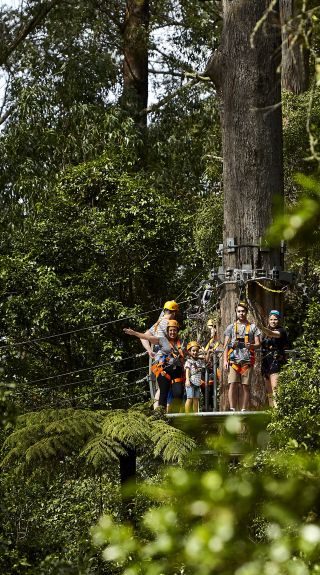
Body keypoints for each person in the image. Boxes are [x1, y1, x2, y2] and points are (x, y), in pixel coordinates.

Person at [123, 319, 184, 411]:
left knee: (178, 393)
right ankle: (161, 414)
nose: (172, 332)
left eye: (174, 330)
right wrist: (134, 333)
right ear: (167, 331)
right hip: (164, 371)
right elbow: (147, 337)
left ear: (177, 331)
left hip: (177, 371)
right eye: (171, 330)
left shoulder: (181, 342)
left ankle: (175, 415)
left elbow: (189, 352)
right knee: (163, 392)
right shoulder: (162, 340)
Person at [223, 302, 261, 411]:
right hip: (233, 360)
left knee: (246, 386)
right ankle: (232, 408)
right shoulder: (230, 327)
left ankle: (244, 408)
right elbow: (225, 345)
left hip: (247, 360)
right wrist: (225, 360)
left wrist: (251, 345)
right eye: (239, 311)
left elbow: (258, 343)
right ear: (236, 312)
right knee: (232, 384)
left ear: (246, 312)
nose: (241, 313)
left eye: (243, 311)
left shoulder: (253, 327)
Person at [259, 310, 289, 407]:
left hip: (277, 361)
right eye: (271, 319)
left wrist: (261, 328)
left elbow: (272, 334)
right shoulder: (265, 333)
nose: (273, 321)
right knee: (269, 391)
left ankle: (278, 412)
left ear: (279, 320)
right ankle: (272, 410)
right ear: (268, 320)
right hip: (266, 362)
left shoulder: (281, 331)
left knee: (276, 389)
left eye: (275, 319)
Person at [200, 319, 221, 411]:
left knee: (213, 392)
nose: (211, 330)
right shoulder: (206, 342)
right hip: (206, 370)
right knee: (206, 392)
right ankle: (206, 408)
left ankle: (213, 408)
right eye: (210, 328)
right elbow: (202, 357)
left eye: (212, 328)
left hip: (216, 370)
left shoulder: (220, 342)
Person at [185, 341, 204, 413]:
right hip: (190, 382)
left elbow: (206, 361)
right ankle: (187, 414)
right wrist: (187, 380)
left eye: (197, 351)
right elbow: (187, 371)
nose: (195, 352)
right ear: (189, 351)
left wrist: (207, 352)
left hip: (197, 383)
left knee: (196, 399)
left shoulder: (199, 361)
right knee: (189, 398)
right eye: (193, 351)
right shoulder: (188, 361)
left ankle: (196, 413)